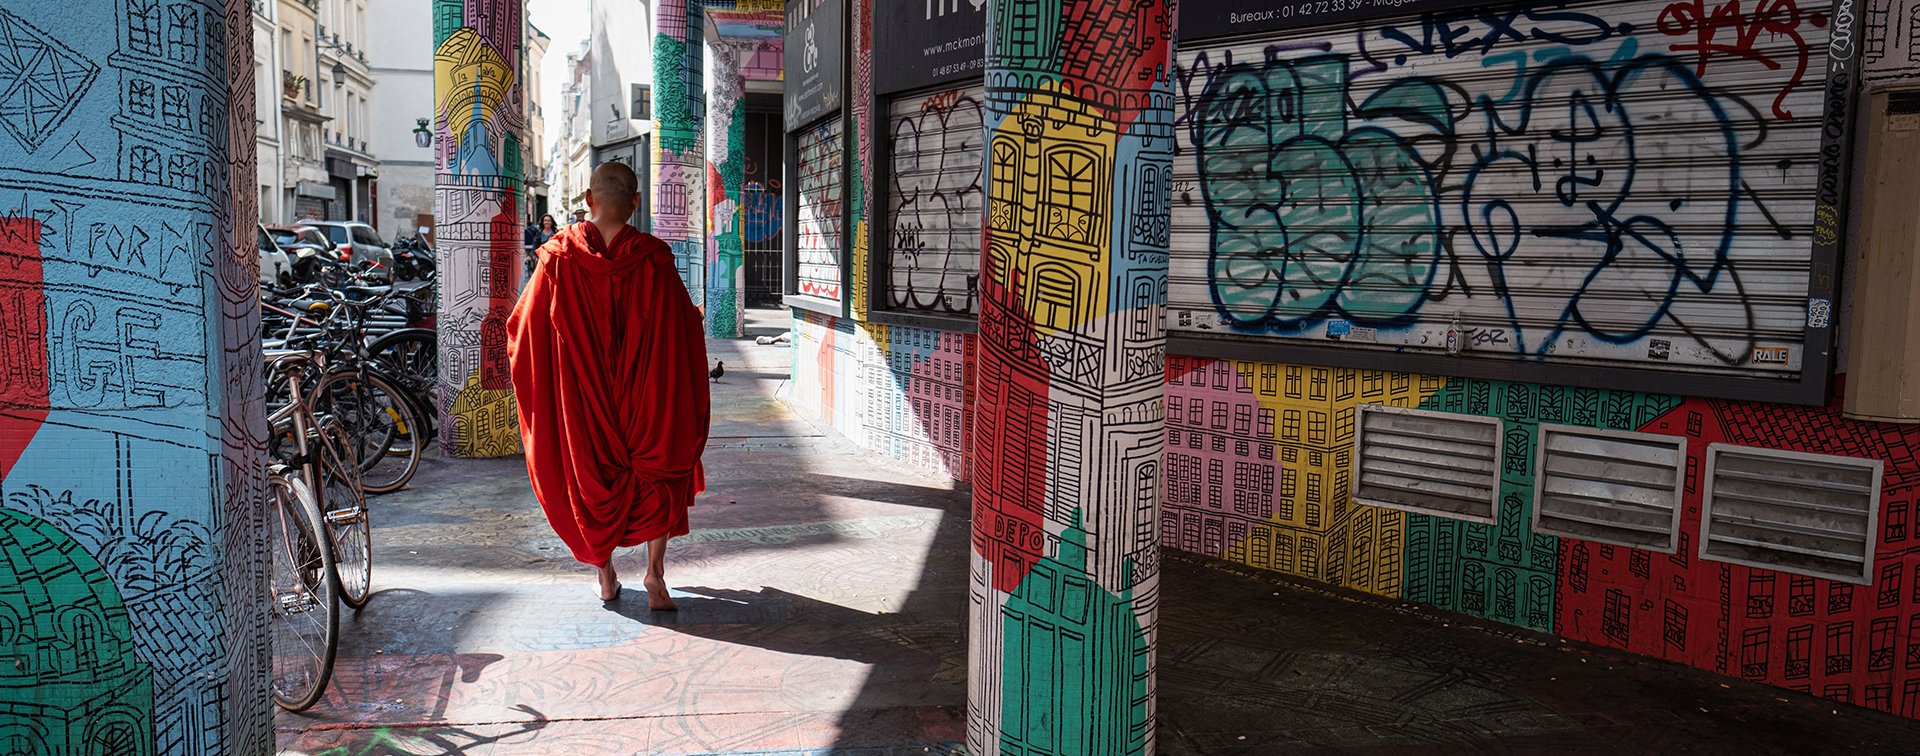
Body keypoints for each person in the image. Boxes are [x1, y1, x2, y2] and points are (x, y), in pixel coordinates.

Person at [507, 162, 711, 608]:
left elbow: (523, 329)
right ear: (635, 203)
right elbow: (683, 329)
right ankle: (655, 574)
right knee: (660, 472)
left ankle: (606, 577)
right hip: (644, 396)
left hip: (585, 399)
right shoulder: (654, 259)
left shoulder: (559, 257)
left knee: (589, 479)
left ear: (588, 200)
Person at [523, 214, 558, 279]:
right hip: (541, 259)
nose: (547, 222)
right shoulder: (539, 233)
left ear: (552, 222)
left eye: (549, 220)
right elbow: (535, 246)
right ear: (543, 222)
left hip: (553, 259)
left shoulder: (556, 233)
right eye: (545, 220)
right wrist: (534, 256)